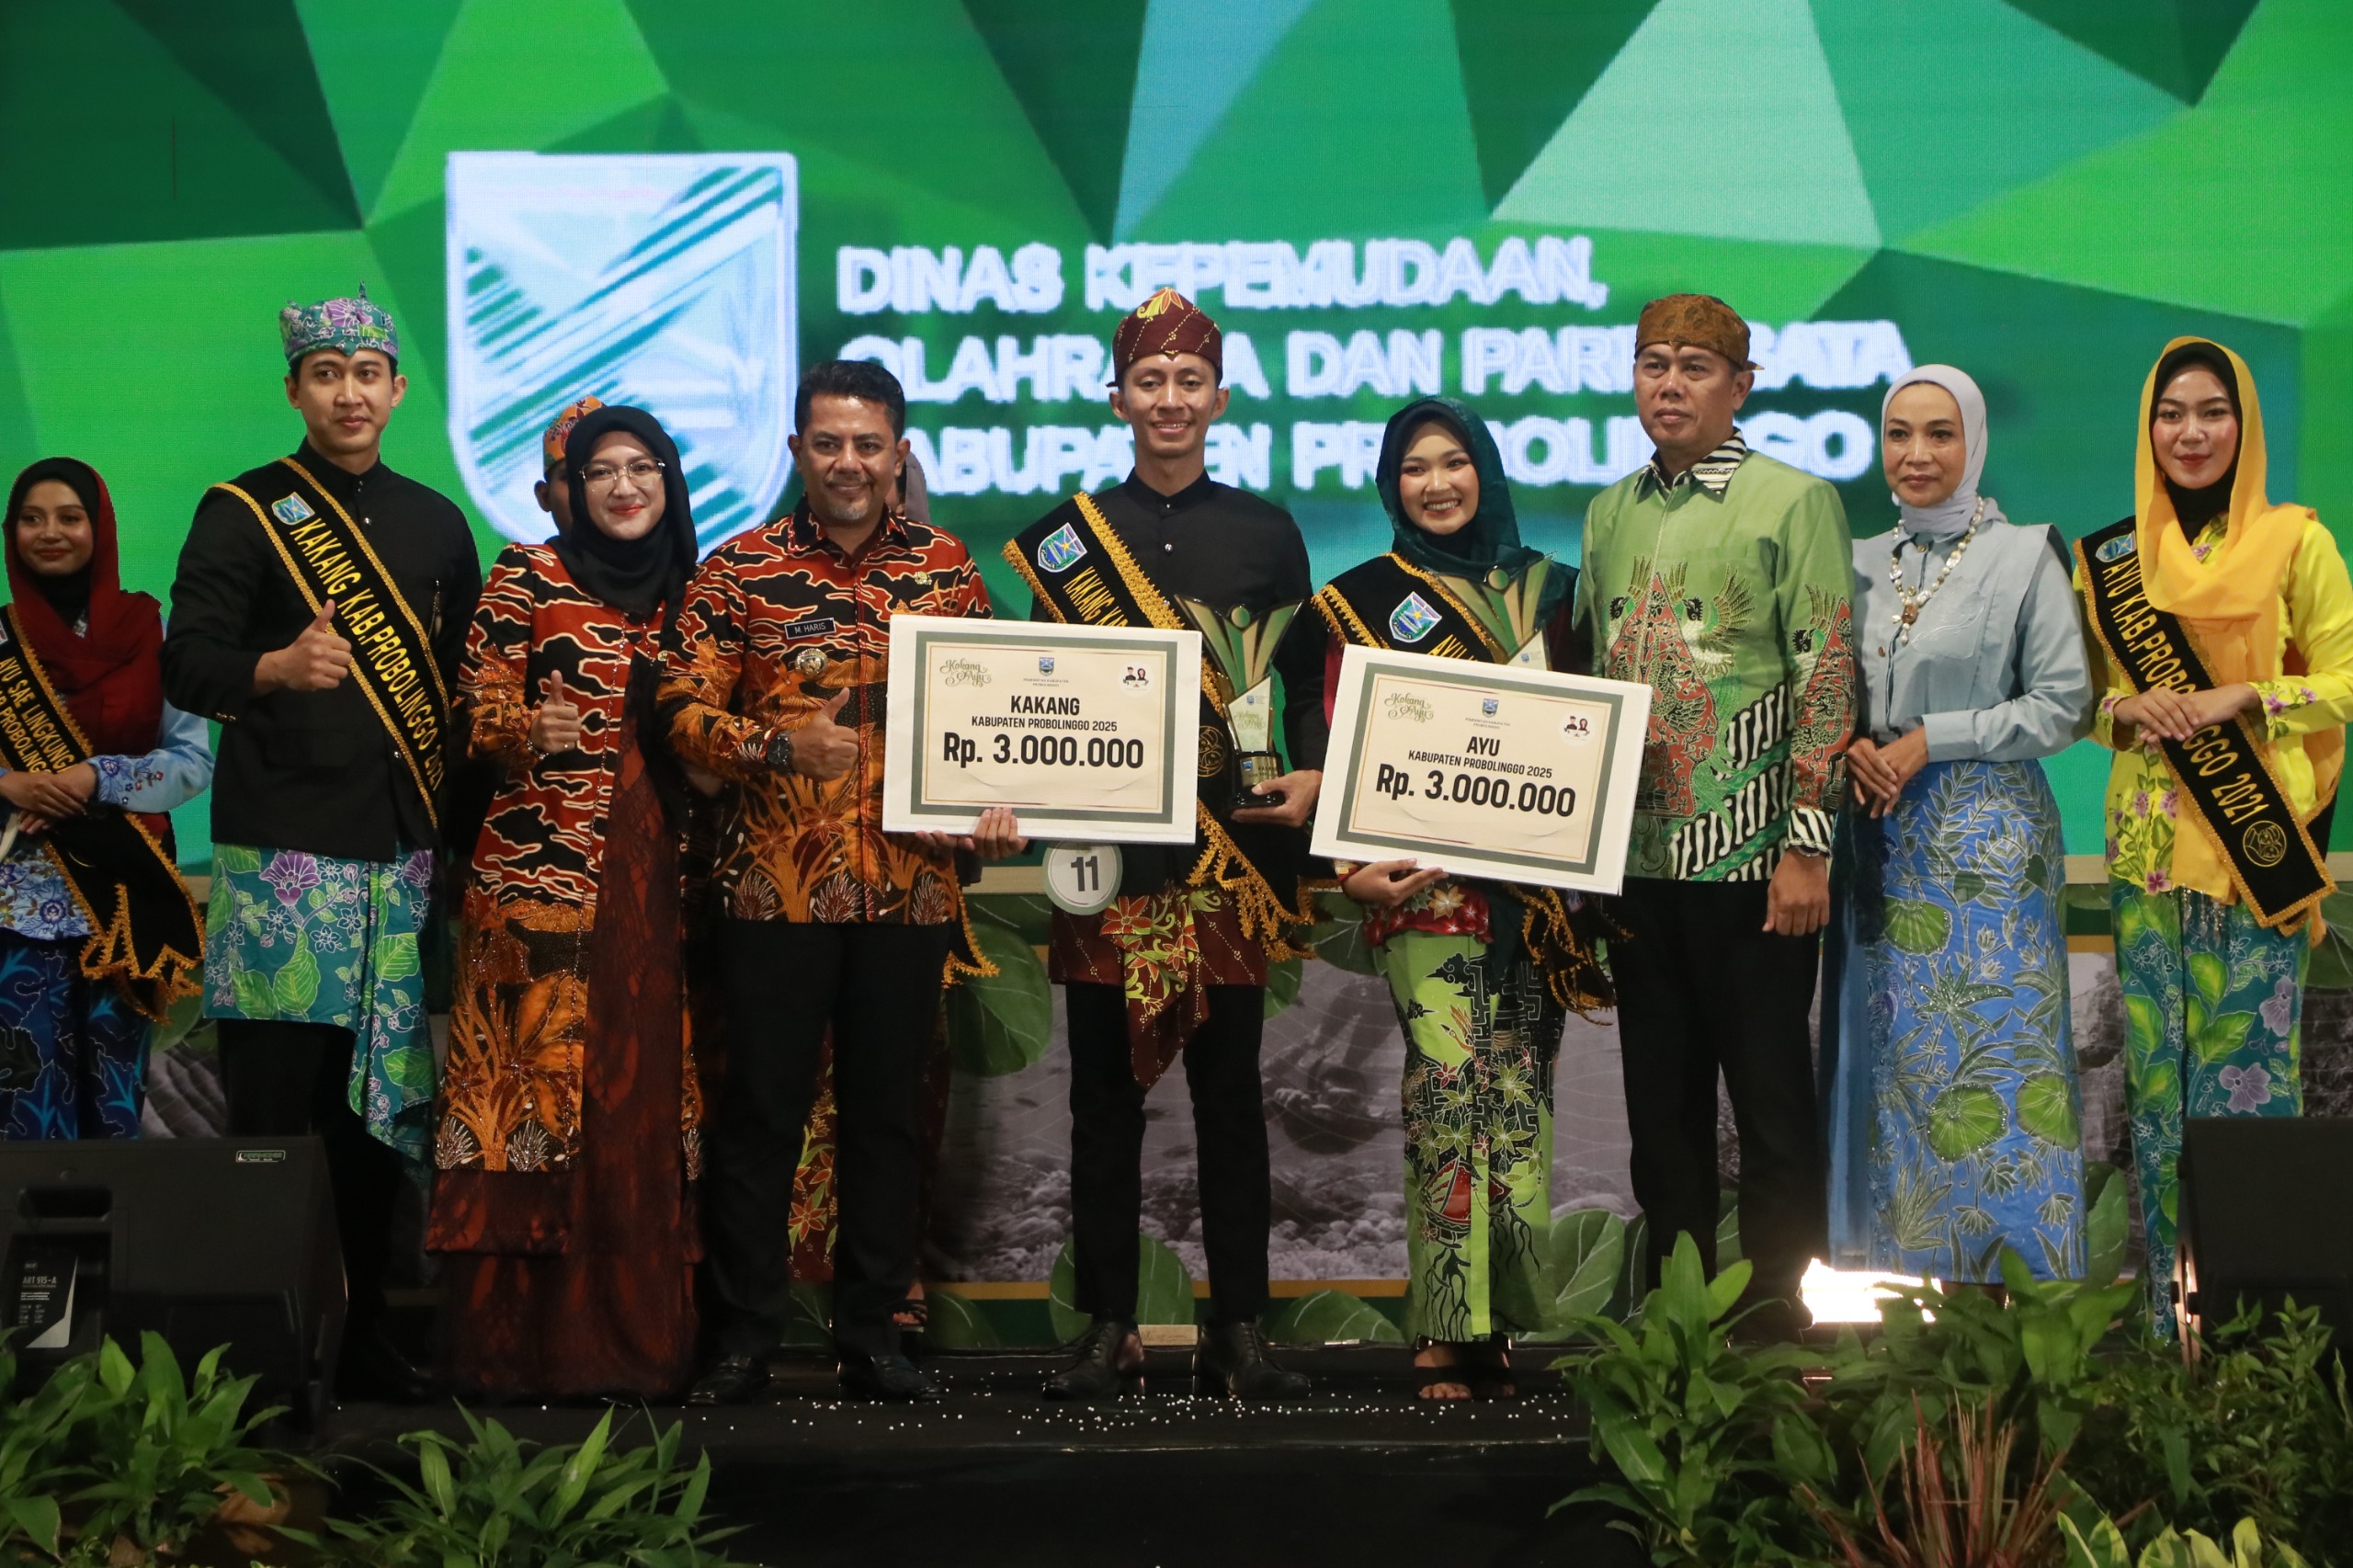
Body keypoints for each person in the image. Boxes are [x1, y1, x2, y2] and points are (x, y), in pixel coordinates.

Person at [661, 360, 1018, 1404]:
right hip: (771, 892)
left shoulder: (948, 569)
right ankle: (743, 1338)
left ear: (899, 453)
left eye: (868, 445)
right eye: (827, 443)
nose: (848, 463)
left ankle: (874, 1336)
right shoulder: (740, 569)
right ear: (796, 452)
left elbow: (999, 719)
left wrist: (998, 808)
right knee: (761, 1114)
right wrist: (779, 746)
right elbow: (677, 709)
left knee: (886, 1118)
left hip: (908, 889)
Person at [161, 290, 481, 1400]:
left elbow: (462, 694)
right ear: (295, 390)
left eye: (368, 372)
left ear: (398, 388)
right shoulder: (242, 511)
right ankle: (259, 1349)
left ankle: (369, 1338)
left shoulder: (438, 523)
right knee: (274, 1113)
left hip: (398, 860)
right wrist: (274, 668)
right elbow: (185, 660)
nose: (350, 392)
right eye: (327, 372)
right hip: (282, 862)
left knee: (373, 1117)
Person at [1005, 288, 1324, 1401]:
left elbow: (1302, 684)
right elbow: (1036, 693)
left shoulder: (1268, 531)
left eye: (1190, 381)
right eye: (1150, 381)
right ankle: (1110, 1328)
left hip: (1229, 857)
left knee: (1231, 1098)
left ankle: (1239, 1328)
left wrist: (1315, 772)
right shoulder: (1072, 537)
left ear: (1219, 398)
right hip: (1110, 859)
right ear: (1118, 398)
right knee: (1102, 1098)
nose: (1170, 399)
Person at [1315, 398, 1611, 1398]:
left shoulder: (1554, 594)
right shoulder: (1359, 602)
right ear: (1390, 484)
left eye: (1452, 462)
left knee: (1518, 1104)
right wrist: (1345, 868)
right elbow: (1334, 743)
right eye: (1413, 468)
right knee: (1448, 1093)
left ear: (1484, 468)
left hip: (1534, 899)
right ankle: (1445, 1326)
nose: (1435, 484)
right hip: (1424, 896)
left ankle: (1502, 1327)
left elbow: (1592, 731)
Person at [1574, 293, 1854, 1339]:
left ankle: (1781, 1328)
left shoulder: (1794, 500)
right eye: (1653, 363)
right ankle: (1678, 1331)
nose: (1670, 384)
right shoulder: (1610, 511)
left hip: (1753, 865)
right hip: (1638, 863)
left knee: (1772, 1111)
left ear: (1740, 386)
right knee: (1662, 1117)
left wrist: (1806, 846)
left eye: (1695, 366)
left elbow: (1826, 674)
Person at [2077, 338, 2353, 1335]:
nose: (2190, 433)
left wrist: (2249, 696)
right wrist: (2123, 710)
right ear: (2147, 428)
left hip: (2251, 852)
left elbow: (2345, 681)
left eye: (2211, 412)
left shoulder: (2296, 542)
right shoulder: (2114, 560)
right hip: (2148, 856)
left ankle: (2255, 1336)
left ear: (2245, 425)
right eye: (2170, 414)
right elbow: (2082, 700)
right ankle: (2166, 1327)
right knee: (2155, 1094)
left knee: (2248, 1090)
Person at [428, 404, 702, 1400]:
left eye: (643, 467)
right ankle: (515, 1353)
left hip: (661, 889)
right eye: (601, 472)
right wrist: (521, 728)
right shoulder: (527, 575)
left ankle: (637, 1350)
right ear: (570, 489)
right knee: (527, 1105)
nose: (624, 486)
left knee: (636, 1103)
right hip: (536, 882)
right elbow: (476, 702)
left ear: (670, 481)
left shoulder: (696, 590)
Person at [1819, 366, 2094, 1286]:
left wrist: (1933, 738)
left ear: (1974, 441)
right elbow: (1825, 692)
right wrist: (1851, 747)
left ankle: (2021, 1292)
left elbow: (2063, 704)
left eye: (1939, 433)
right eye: (1898, 433)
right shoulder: (1853, 560)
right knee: (1902, 1068)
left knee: (2004, 1073)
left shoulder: (2024, 556)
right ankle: (1913, 1291)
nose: (1917, 453)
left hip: (1989, 854)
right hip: (1882, 844)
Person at [0, 459, 210, 1138]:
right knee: (24, 1103)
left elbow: (191, 762)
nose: (49, 532)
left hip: (124, 902)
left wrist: (96, 779)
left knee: (116, 1109)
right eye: (31, 519)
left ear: (101, 528)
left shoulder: (151, 633)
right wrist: (9, 784)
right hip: (15, 910)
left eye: (70, 517)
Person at [534, 396, 604, 537]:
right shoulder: (519, 553)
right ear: (545, 497)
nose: (589, 491)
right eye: (571, 477)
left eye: (601, 473)